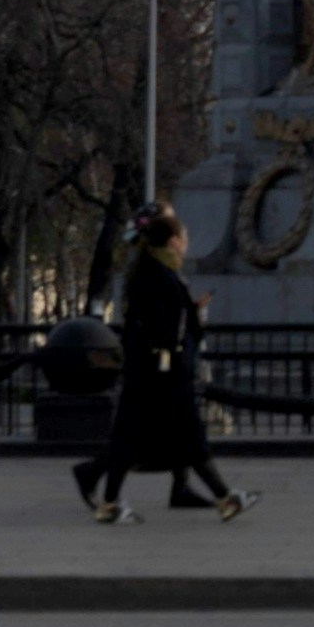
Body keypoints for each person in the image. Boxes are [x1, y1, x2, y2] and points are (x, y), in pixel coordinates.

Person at [74, 206, 245, 525]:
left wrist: (187, 316)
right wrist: (184, 326)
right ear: (172, 241)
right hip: (161, 373)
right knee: (187, 437)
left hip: (151, 371)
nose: (186, 242)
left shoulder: (155, 272)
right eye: (182, 236)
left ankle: (110, 502)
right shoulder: (160, 276)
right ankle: (224, 498)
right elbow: (161, 326)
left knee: (134, 439)